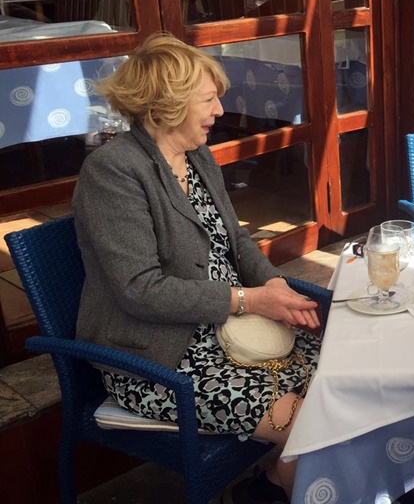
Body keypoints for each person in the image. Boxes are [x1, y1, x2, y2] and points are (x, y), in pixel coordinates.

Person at [72, 33, 320, 501]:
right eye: (208, 100)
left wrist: (274, 286)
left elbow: (236, 239)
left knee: (341, 376)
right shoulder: (113, 171)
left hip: (230, 326)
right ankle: (272, 491)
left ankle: (271, 487)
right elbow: (140, 289)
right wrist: (250, 299)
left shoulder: (196, 155)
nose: (220, 111)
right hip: (158, 356)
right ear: (165, 105)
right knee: (313, 421)